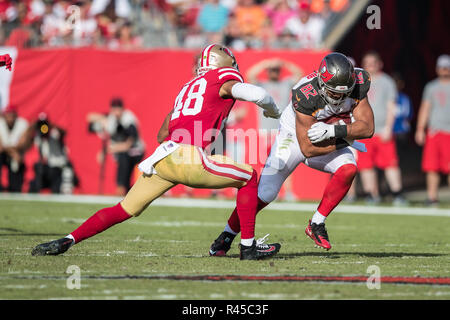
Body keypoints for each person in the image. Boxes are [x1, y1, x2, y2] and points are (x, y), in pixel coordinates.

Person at [31, 44, 282, 260]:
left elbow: (162, 134)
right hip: (189, 157)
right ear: (225, 63)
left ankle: (67, 240)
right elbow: (259, 94)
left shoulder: (188, 88)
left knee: (124, 209)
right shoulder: (221, 79)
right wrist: (274, 112)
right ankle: (245, 246)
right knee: (249, 177)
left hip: (163, 157)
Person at [209, 52, 374, 254]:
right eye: (333, 92)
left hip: (329, 134)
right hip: (293, 138)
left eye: (344, 93)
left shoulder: (358, 82)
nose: (339, 98)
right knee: (265, 193)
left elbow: (368, 127)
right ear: (322, 83)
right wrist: (346, 138)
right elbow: (307, 149)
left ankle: (316, 223)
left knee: (349, 169)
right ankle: (225, 237)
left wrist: (335, 131)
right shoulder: (305, 93)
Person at [247, 57, 302, 201]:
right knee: (264, 163)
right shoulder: (262, 85)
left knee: (284, 162)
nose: (274, 72)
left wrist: (284, 63)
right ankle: (263, 191)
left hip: (281, 130)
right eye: (272, 70)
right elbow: (250, 75)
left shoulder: (285, 84)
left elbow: (299, 74)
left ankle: (287, 192)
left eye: (276, 70)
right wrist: (266, 64)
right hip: (264, 130)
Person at [359, 51, 406, 205]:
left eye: (373, 62)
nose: (370, 65)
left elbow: (391, 106)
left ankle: (397, 194)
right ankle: (371, 195)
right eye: (367, 62)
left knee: (390, 164)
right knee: (366, 166)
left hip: (382, 130)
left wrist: (388, 128)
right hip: (364, 131)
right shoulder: (359, 81)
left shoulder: (387, 82)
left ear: (380, 64)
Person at [87, 97, 145, 196]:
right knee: (123, 160)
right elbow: (89, 117)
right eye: (114, 109)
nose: (116, 112)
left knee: (124, 156)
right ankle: (126, 189)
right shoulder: (111, 119)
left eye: (118, 109)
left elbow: (128, 145)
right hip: (122, 151)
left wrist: (106, 151)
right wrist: (102, 119)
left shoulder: (128, 119)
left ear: (122, 109)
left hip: (137, 150)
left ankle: (120, 188)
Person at [415, 54, 450, 206]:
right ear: (437, 69)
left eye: (447, 67)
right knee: (431, 167)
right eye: (442, 67)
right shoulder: (431, 87)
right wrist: (420, 129)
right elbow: (425, 108)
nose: (444, 70)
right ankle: (432, 197)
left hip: (449, 132)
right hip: (434, 131)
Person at [26, 113, 78, 194]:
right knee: (36, 169)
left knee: (57, 187)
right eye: (41, 124)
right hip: (47, 166)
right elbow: (27, 141)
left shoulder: (54, 133)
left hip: (59, 166)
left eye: (45, 124)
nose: (43, 127)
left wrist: (50, 126)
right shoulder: (38, 135)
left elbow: (63, 133)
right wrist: (34, 126)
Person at [0, 104, 29, 192]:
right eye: (8, 115)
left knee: (17, 166)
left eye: (12, 115)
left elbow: (22, 144)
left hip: (17, 154)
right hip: (6, 154)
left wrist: (14, 153)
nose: (10, 118)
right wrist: (13, 153)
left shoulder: (23, 124)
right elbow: (0, 147)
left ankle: (15, 188)